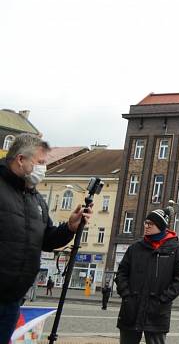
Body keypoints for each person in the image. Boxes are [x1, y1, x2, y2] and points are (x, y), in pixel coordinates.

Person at [0, 134, 93, 344]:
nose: (44, 168)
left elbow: (47, 240)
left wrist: (70, 227)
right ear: (21, 159)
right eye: (40, 162)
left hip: (13, 299)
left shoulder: (35, 198)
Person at [115, 205, 179, 344]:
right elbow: (121, 273)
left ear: (161, 226)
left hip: (157, 312)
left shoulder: (176, 250)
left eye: (151, 223)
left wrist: (163, 299)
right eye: (146, 223)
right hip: (131, 309)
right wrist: (126, 295)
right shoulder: (135, 248)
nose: (147, 226)